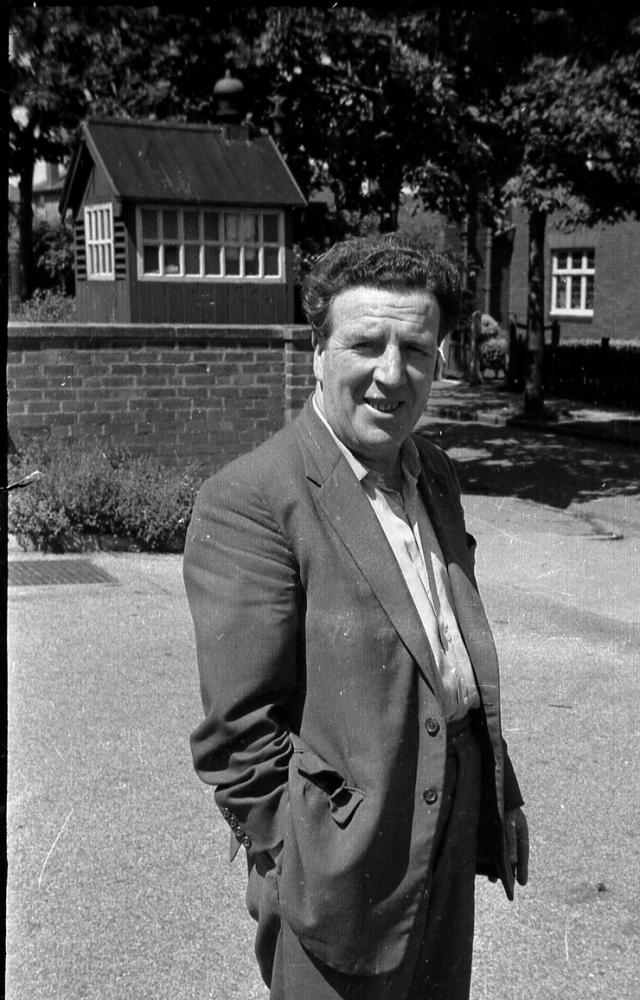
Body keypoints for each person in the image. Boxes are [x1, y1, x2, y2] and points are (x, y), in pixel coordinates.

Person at [183, 235, 529, 1000]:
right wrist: (300, 859)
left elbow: (443, 633)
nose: (391, 373)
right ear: (317, 352)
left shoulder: (431, 469)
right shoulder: (252, 499)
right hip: (337, 863)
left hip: (446, 822)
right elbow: (238, 731)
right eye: (366, 344)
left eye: (416, 347)